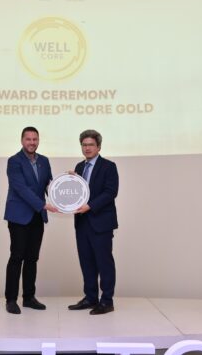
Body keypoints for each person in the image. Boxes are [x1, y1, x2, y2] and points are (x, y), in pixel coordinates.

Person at [4, 126, 58, 314]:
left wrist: (68, 185)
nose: (32, 142)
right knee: (16, 257)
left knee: (32, 258)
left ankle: (28, 298)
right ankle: (11, 300)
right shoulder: (14, 161)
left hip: (37, 216)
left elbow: (50, 186)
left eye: (35, 139)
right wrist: (43, 205)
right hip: (19, 216)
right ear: (22, 141)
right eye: (28, 139)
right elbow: (20, 188)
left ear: (38, 141)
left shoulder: (44, 161)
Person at [68, 129, 119, 315]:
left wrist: (90, 206)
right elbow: (77, 192)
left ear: (98, 147)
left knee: (104, 263)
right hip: (82, 223)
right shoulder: (79, 167)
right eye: (84, 145)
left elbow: (110, 192)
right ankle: (90, 298)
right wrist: (68, 182)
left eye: (91, 145)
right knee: (86, 262)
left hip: (101, 223)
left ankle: (107, 301)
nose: (87, 148)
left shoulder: (109, 166)